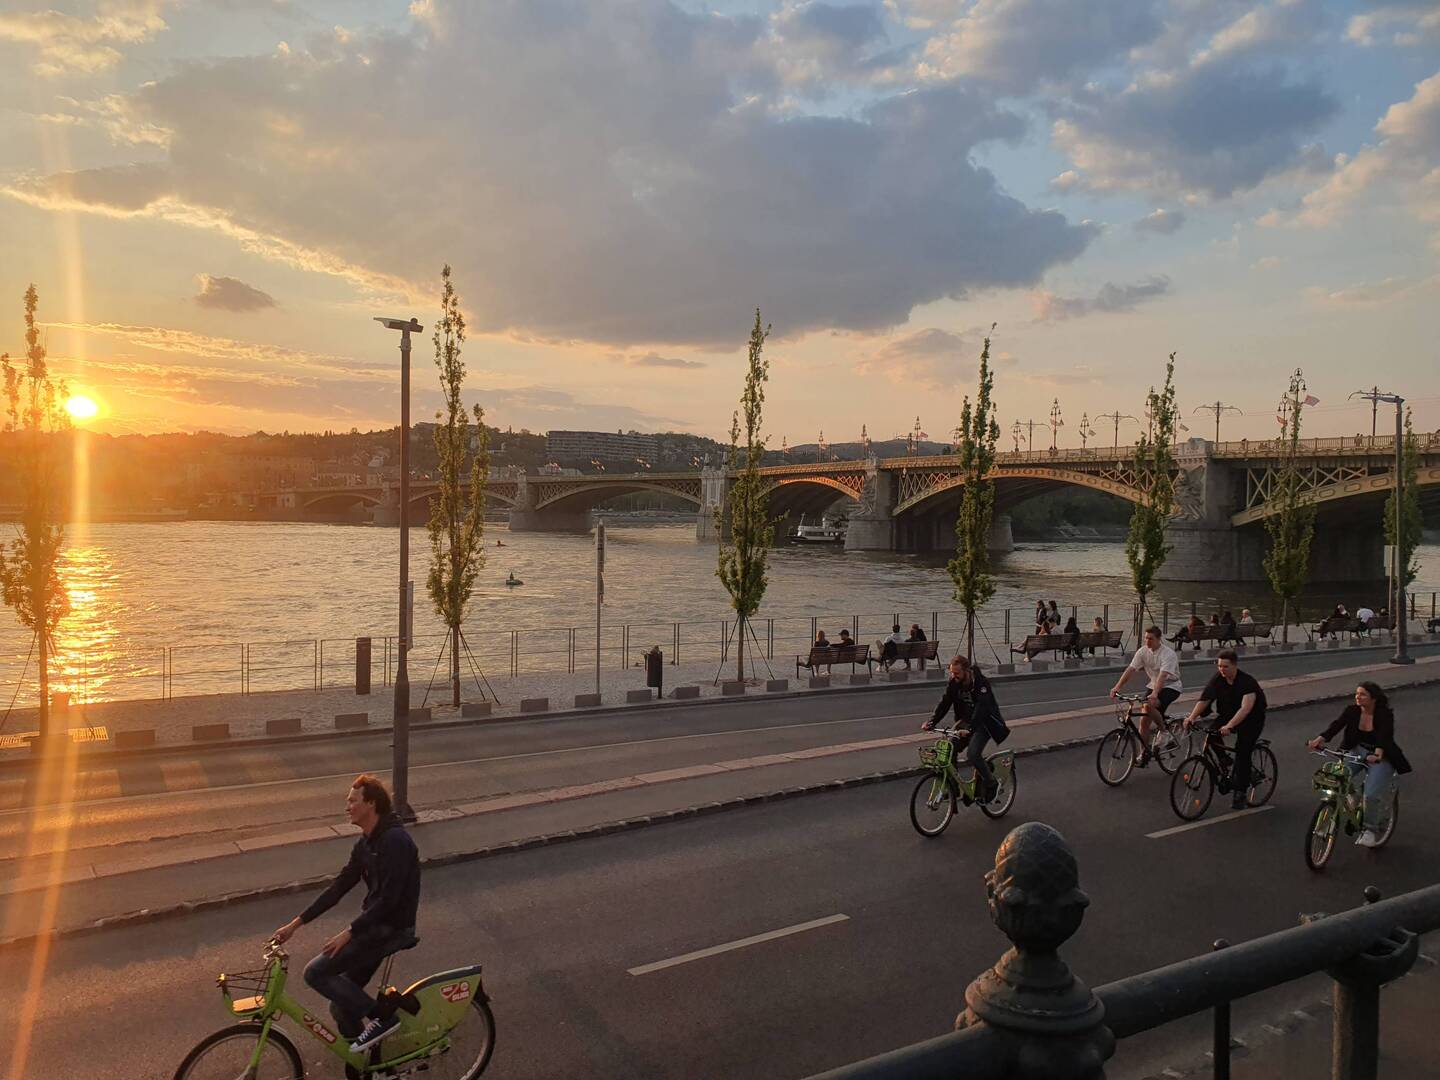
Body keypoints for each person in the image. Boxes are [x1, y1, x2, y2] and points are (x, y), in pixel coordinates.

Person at [272, 775, 421, 1053]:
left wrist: (350, 932)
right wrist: (295, 924)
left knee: (315, 972)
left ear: (371, 804)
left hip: (393, 928)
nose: (347, 806)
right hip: (374, 925)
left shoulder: (395, 841)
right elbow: (338, 887)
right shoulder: (365, 844)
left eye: (353, 800)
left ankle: (383, 1018)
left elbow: (390, 901)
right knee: (341, 1007)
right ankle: (366, 1064)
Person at [1307, 682, 1412, 847]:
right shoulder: (1352, 711)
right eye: (1357, 693)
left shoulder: (1384, 714)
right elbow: (1335, 726)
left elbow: (1384, 736)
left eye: (1363, 694)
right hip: (1356, 750)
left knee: (1370, 795)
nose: (1358, 697)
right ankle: (1336, 814)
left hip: (1380, 755)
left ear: (1374, 698)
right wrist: (1318, 740)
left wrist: (1377, 755)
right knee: (1338, 777)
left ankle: (1370, 830)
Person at [1182, 650, 1266, 810]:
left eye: (1225, 666)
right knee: (1211, 735)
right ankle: (1224, 760)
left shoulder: (1247, 682)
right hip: (1227, 714)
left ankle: (1240, 793)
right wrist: (1191, 717)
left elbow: (1246, 709)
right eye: (1219, 665)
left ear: (1234, 665)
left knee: (1242, 751)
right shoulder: (1218, 679)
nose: (1222, 669)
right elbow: (1205, 699)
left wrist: (1230, 726)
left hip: (1251, 720)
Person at [920, 655, 1009, 801]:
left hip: (984, 723)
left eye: (957, 673)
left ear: (967, 671)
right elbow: (945, 702)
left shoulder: (981, 683)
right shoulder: (954, 682)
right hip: (965, 722)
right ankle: (953, 788)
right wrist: (932, 722)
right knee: (948, 749)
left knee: (973, 755)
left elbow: (982, 708)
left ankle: (991, 784)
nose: (954, 676)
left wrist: (971, 729)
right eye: (952, 673)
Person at [1109, 625, 1182, 767]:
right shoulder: (1143, 652)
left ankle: (1164, 731)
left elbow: (1163, 675)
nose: (1147, 641)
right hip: (1153, 685)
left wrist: (1155, 693)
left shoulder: (1168, 654)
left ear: (1159, 639)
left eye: (1151, 639)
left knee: (1148, 706)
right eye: (1146, 638)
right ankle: (1145, 753)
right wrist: (1117, 687)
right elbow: (1130, 669)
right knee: (1143, 722)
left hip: (1171, 686)